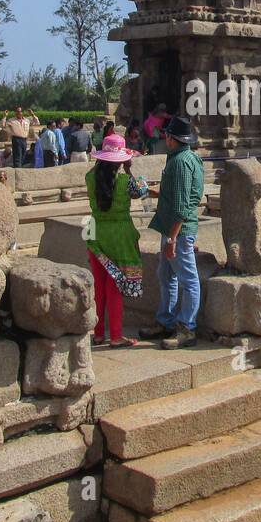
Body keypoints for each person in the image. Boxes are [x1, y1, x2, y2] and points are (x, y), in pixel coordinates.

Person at [143, 116, 204, 349]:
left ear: (171, 137)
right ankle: (166, 320)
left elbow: (180, 205)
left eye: (166, 134)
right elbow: (180, 194)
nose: (164, 138)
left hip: (177, 230)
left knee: (188, 280)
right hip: (172, 227)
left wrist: (172, 238)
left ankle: (187, 327)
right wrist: (151, 190)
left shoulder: (179, 163)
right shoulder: (189, 158)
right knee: (166, 275)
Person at [84, 133, 148, 349]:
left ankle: (99, 333)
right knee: (115, 287)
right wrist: (128, 168)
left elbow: (96, 172)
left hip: (95, 232)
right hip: (120, 235)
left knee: (99, 287)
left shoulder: (90, 177)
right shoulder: (126, 182)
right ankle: (117, 335)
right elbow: (142, 190)